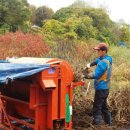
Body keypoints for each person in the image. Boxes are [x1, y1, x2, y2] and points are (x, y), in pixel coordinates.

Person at [83, 42, 112, 125]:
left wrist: (85, 75)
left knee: (97, 108)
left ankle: (97, 125)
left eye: (98, 50)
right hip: (105, 88)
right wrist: (90, 64)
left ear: (104, 51)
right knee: (104, 107)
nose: (97, 52)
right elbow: (97, 60)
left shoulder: (103, 63)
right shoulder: (108, 58)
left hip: (101, 89)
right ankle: (109, 123)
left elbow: (96, 75)